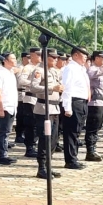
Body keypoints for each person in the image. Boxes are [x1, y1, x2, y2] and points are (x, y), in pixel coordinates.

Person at [30, 49, 63, 179]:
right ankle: (42, 168)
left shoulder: (54, 71)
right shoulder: (39, 70)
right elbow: (33, 87)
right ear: (44, 58)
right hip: (44, 108)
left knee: (53, 139)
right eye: (52, 57)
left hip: (54, 108)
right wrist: (51, 88)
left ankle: (49, 166)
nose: (55, 59)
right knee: (44, 139)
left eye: (56, 57)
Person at [61, 47, 90, 169]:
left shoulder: (81, 69)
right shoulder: (70, 68)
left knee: (77, 131)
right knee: (71, 132)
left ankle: (74, 157)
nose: (86, 58)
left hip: (82, 102)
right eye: (84, 55)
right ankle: (70, 160)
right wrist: (67, 107)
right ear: (76, 55)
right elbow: (67, 88)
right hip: (74, 102)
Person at [0, 52, 19, 165]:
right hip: (5, 107)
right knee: (3, 132)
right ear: (5, 60)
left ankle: (4, 153)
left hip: (12, 106)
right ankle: (1, 155)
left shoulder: (10, 73)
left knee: (7, 132)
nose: (15, 60)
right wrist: (1, 108)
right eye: (13, 58)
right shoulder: (0, 74)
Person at [84, 51, 103, 160]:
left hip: (102, 102)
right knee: (92, 128)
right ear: (96, 58)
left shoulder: (100, 70)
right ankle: (90, 151)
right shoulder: (93, 69)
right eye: (102, 58)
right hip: (95, 103)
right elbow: (90, 75)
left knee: (97, 128)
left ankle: (94, 149)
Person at [17, 48, 41, 158]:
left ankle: (35, 145)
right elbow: (21, 81)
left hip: (39, 99)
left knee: (37, 125)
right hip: (30, 99)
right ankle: (30, 147)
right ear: (32, 55)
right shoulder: (28, 68)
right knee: (31, 124)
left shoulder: (40, 68)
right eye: (38, 55)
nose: (41, 57)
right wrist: (34, 83)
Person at [14, 52, 30, 144]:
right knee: (20, 116)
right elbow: (21, 82)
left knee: (25, 116)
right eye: (27, 58)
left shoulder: (29, 68)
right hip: (21, 94)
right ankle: (19, 135)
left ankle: (23, 134)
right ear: (23, 58)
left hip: (27, 94)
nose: (29, 59)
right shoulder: (20, 68)